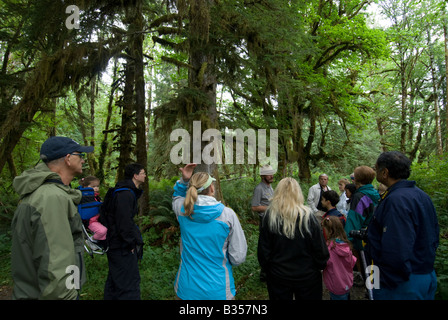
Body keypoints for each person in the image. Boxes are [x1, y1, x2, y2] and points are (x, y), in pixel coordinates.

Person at [11, 136, 93, 299]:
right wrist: (69, 296)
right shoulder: (51, 199)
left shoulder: (47, 194)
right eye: (80, 155)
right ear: (68, 159)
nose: (83, 160)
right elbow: (56, 264)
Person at [367, 151, 439, 300]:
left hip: (403, 282)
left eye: (376, 168)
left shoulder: (396, 201)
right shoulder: (421, 195)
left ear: (385, 172)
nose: (375, 172)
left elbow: (397, 246)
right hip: (425, 273)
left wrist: (389, 280)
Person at [172, 163, 247, 300]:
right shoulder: (227, 215)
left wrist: (184, 181)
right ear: (212, 188)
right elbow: (238, 257)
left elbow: (177, 197)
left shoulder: (183, 211)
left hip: (186, 289)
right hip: (218, 289)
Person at [258, 177, 329, 300]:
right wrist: (319, 265)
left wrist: (269, 269)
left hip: (278, 276)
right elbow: (320, 250)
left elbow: (264, 251)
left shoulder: (270, 217)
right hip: (307, 276)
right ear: (298, 193)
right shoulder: (308, 217)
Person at [103, 163, 145, 300]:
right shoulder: (125, 194)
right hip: (121, 246)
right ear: (135, 175)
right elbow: (124, 222)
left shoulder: (125, 191)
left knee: (116, 280)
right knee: (129, 283)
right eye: (143, 173)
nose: (145, 175)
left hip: (117, 244)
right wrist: (130, 244)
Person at [344, 166, 380, 252]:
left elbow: (354, 221)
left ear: (356, 179)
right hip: (375, 237)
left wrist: (345, 241)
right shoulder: (375, 193)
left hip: (361, 241)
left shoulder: (359, 197)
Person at [322, 216, 357, 300]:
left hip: (336, 286)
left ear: (330, 231)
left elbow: (323, 263)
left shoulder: (330, 248)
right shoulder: (345, 245)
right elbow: (352, 261)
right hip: (347, 283)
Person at [80, 175, 107, 241]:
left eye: (97, 186)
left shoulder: (96, 197)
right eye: (93, 186)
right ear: (85, 187)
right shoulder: (86, 198)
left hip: (98, 219)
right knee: (102, 231)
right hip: (91, 221)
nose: (96, 188)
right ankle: (91, 241)